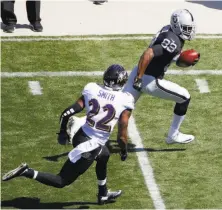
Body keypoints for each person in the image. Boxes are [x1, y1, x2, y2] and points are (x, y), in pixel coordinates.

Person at [2, 64, 134, 205]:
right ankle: (27, 171)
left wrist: (63, 132)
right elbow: (122, 133)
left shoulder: (92, 88)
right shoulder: (125, 99)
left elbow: (68, 112)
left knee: (104, 155)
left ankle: (103, 194)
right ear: (120, 81)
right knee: (61, 181)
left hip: (80, 135)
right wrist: (124, 150)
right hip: (90, 145)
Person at [123, 9, 199, 144]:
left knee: (117, 108)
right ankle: (173, 135)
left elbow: (166, 56)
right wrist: (139, 78)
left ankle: (79, 125)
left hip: (139, 71)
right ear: (177, 25)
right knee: (184, 97)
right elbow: (148, 53)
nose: (189, 31)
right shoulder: (173, 40)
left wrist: (182, 60)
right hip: (148, 79)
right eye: (186, 28)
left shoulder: (169, 30)